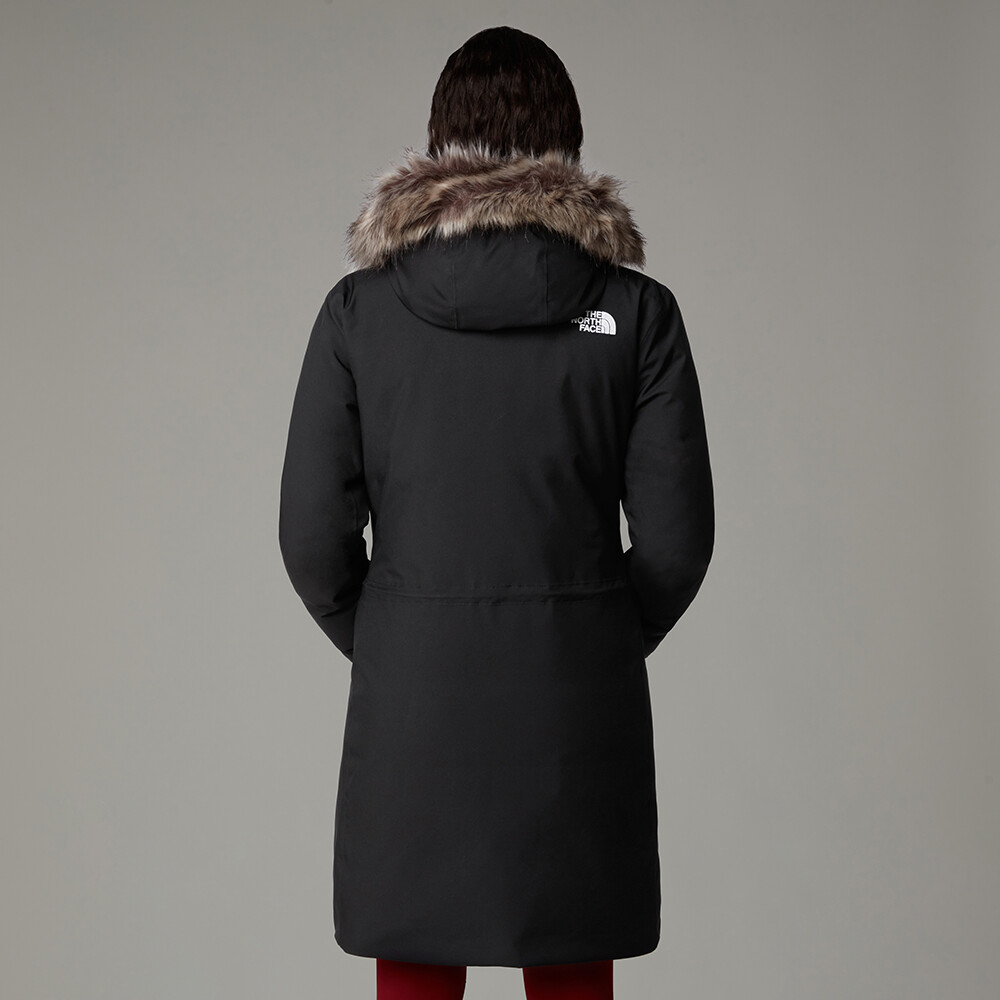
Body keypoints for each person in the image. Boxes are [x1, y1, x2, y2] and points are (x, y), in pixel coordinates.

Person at [278, 25, 715, 1000]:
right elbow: (677, 545)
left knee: (415, 954)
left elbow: (311, 540)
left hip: (413, 703)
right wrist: (591, 636)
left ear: (439, 147)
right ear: (569, 146)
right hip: (576, 704)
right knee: (571, 960)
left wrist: (394, 639)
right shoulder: (636, 314)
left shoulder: (359, 312)